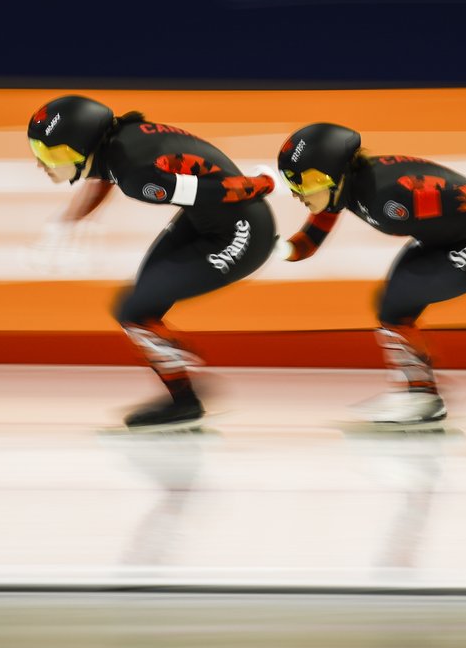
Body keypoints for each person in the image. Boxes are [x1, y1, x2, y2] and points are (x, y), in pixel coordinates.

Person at [27, 95, 278, 430]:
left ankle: (185, 388)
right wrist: (68, 220)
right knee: (136, 310)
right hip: (208, 220)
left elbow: (217, 191)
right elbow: (103, 176)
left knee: (133, 311)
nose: (42, 164)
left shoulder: (136, 175)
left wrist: (264, 182)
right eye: (39, 152)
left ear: (83, 147)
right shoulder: (118, 143)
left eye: (52, 154)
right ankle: (184, 401)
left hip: (243, 234)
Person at [275, 123, 466, 425]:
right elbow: (310, 241)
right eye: (292, 182)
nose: (298, 193)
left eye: (305, 182)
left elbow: (458, 196)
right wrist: (278, 250)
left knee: (398, 301)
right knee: (391, 306)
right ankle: (419, 392)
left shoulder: (388, 197)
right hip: (443, 239)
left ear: (335, 174)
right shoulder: (346, 189)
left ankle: (421, 396)